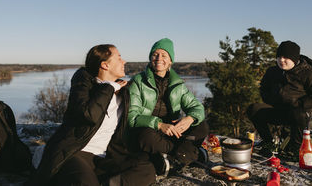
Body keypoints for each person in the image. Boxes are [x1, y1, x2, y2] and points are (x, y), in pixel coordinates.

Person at [29, 44, 156, 186]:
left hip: (103, 158)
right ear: (105, 65)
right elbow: (89, 115)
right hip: (75, 153)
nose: (124, 61)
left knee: (146, 170)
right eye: (119, 57)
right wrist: (110, 87)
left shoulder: (123, 93)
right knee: (85, 181)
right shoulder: (85, 87)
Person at [128, 38, 209, 175]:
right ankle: (192, 154)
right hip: (150, 131)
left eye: (164, 55)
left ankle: (172, 159)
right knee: (144, 137)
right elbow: (131, 117)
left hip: (172, 132)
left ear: (170, 61)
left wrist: (189, 119)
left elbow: (197, 108)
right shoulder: (138, 81)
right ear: (150, 58)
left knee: (202, 126)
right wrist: (159, 125)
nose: (159, 58)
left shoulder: (177, 84)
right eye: (155, 54)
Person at [247, 40, 312, 160]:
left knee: (298, 113)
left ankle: (295, 149)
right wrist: (271, 99)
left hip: (298, 115)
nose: (281, 60)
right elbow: (263, 89)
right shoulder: (272, 71)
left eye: (286, 57)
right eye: (279, 57)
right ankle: (269, 143)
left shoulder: (308, 73)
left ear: (295, 59)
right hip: (278, 110)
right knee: (253, 109)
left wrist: (299, 103)